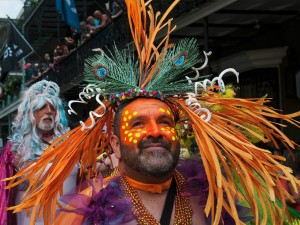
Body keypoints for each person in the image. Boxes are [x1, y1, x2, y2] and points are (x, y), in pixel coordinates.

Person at [5, 0, 300, 224]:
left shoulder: (216, 197)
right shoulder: (83, 212)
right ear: (115, 143)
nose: (155, 130)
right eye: (138, 123)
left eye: (164, 121)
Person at [0, 80, 77, 225]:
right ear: (30, 113)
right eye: (41, 107)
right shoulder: (15, 149)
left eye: (52, 107)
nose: (48, 111)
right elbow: (3, 194)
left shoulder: (71, 144)